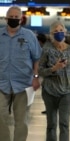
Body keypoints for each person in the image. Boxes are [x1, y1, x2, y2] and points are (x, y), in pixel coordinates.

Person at [0, 6, 42, 141]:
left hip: (24, 84)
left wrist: (36, 77)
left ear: (21, 19)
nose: (13, 20)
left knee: (21, 120)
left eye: (16, 18)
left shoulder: (29, 36)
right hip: (2, 83)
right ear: (6, 19)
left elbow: (36, 58)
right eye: (10, 17)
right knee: (0, 118)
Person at [38, 21, 70, 141]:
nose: (59, 33)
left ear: (65, 32)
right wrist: (54, 68)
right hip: (49, 91)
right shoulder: (46, 49)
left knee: (64, 123)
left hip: (67, 91)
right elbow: (40, 70)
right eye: (55, 32)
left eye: (61, 31)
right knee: (51, 124)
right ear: (51, 34)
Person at [37, 33, 48, 115]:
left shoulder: (45, 49)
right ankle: (49, 108)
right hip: (46, 73)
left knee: (46, 92)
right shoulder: (44, 47)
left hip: (47, 73)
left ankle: (50, 108)